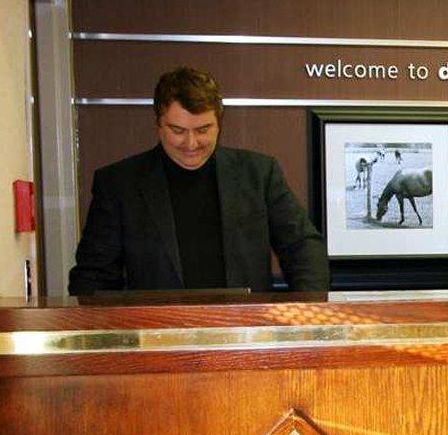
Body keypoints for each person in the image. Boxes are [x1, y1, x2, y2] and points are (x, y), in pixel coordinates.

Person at [68, 67, 330, 295]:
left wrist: (306, 317)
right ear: (158, 123)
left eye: (203, 130)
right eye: (178, 131)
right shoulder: (119, 184)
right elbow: (93, 278)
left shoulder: (259, 174)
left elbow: (303, 247)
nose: (191, 144)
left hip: (244, 336)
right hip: (156, 340)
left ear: (219, 122)